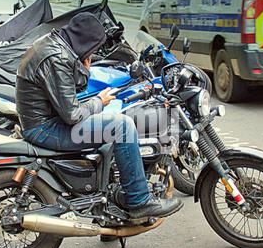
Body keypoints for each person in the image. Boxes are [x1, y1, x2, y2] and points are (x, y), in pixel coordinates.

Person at [16, 12, 183, 220]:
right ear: (86, 42)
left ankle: (111, 206)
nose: (92, 55)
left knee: (111, 121)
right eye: (93, 49)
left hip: (47, 121)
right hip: (44, 128)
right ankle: (139, 201)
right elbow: (73, 115)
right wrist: (99, 101)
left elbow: (68, 95)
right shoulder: (57, 58)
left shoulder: (56, 45)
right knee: (122, 126)